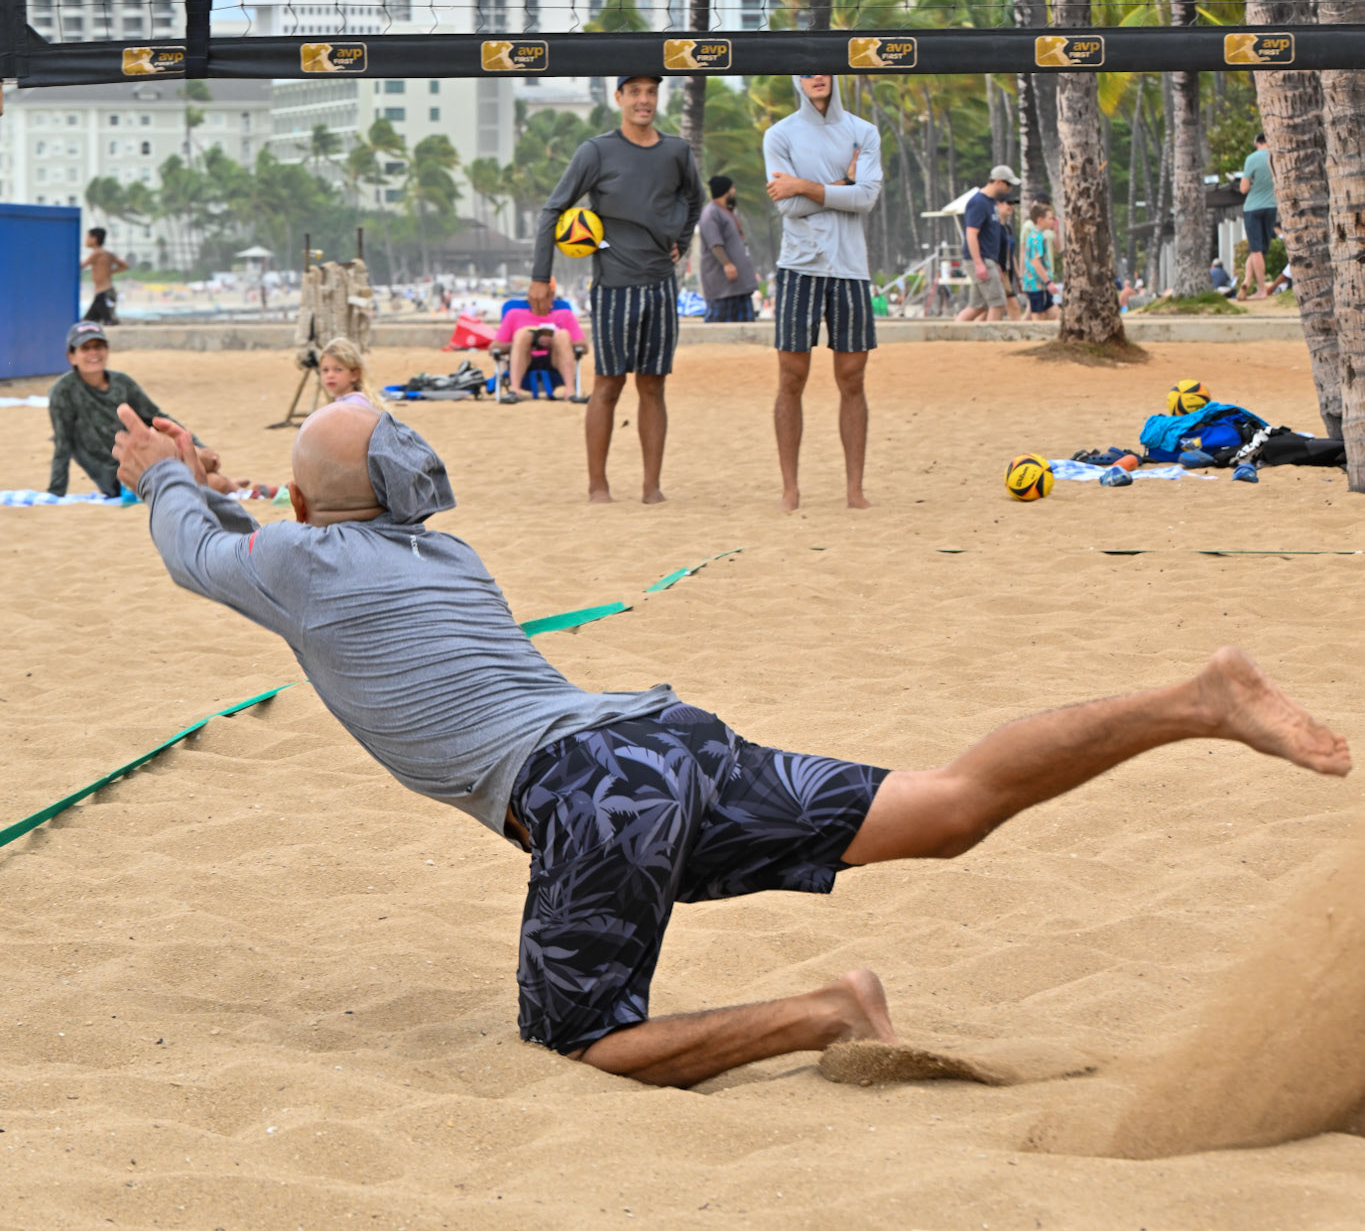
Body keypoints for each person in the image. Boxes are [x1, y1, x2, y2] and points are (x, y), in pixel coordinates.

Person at [113, 398, 1351, 1090]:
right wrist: (209, 480)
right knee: (952, 805)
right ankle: (1196, 698)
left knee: (584, 1044)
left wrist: (166, 476)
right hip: (661, 737)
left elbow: (198, 550)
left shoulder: (298, 559)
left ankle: (828, 1010)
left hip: (590, 789)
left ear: (305, 503)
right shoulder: (443, 551)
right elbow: (283, 530)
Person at [530, 76, 705, 504]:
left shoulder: (677, 152)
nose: (644, 100)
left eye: (651, 92)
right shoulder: (596, 151)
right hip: (613, 287)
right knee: (608, 385)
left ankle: (651, 487)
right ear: (619, 97)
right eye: (635, 92)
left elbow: (695, 200)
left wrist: (681, 240)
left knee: (653, 386)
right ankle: (598, 487)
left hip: (661, 286)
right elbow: (553, 210)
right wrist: (540, 276)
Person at [763, 74, 883, 513]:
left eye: (824, 69)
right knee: (791, 378)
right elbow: (786, 205)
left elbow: (866, 199)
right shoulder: (779, 135)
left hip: (851, 269)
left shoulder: (863, 131)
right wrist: (843, 184)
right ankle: (790, 489)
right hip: (799, 265)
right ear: (796, 78)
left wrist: (804, 184)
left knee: (852, 379)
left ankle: (854, 490)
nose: (817, 77)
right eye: (807, 70)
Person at [47, 321, 237, 498]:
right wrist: (56, 492)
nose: (93, 353)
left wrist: (196, 444)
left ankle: (239, 487)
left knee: (206, 461)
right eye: (85, 348)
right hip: (121, 475)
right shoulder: (63, 392)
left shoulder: (122, 383)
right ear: (71, 356)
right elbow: (63, 444)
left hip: (147, 456)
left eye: (98, 346)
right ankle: (235, 486)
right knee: (214, 478)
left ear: (107, 350)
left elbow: (157, 417)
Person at [954, 166, 1019, 324]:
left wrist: (995, 263)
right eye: (1008, 184)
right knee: (998, 302)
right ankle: (991, 336)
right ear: (998, 182)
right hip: (980, 259)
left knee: (978, 306)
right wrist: (978, 263)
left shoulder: (991, 203)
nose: (1010, 188)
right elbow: (971, 234)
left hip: (989, 260)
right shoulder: (978, 202)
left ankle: (952, 331)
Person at [495, 290, 586, 400]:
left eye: (544, 298)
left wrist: (554, 342)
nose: (539, 302)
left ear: (551, 300)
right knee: (521, 334)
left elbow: (584, 346)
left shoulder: (565, 315)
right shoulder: (514, 315)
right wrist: (530, 343)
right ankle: (515, 391)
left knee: (563, 335)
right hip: (524, 361)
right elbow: (494, 348)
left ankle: (570, 392)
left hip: (555, 362)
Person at [698, 174, 759, 322]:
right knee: (718, 325)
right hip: (723, 285)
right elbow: (715, 243)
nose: (734, 191)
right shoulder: (711, 213)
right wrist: (727, 264)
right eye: (732, 188)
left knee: (745, 327)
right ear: (725, 191)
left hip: (739, 284)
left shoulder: (727, 212)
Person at [1240, 133, 1278, 299]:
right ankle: (1247, 281)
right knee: (1260, 249)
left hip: (1253, 208)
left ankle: (1261, 290)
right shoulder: (1276, 157)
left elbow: (1243, 189)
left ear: (1257, 143)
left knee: (1256, 250)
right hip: (1271, 207)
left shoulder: (1252, 158)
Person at [319, 338, 385, 409]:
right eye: (325, 370)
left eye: (338, 369)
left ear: (354, 374)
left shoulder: (353, 405)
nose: (330, 375)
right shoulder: (345, 401)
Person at [81, 226, 128, 325]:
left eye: (88, 237)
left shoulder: (96, 254)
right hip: (106, 292)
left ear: (94, 239)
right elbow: (124, 266)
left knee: (107, 321)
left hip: (103, 294)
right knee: (88, 321)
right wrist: (110, 271)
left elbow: (81, 266)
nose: (86, 240)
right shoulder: (108, 254)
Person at [1021, 200, 1058, 321]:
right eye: (1050, 218)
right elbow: (1036, 262)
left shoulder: (1039, 236)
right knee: (1038, 317)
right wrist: (1048, 282)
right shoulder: (1036, 238)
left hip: (1040, 285)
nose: (1052, 221)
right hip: (1036, 285)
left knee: (1053, 313)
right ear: (1040, 220)